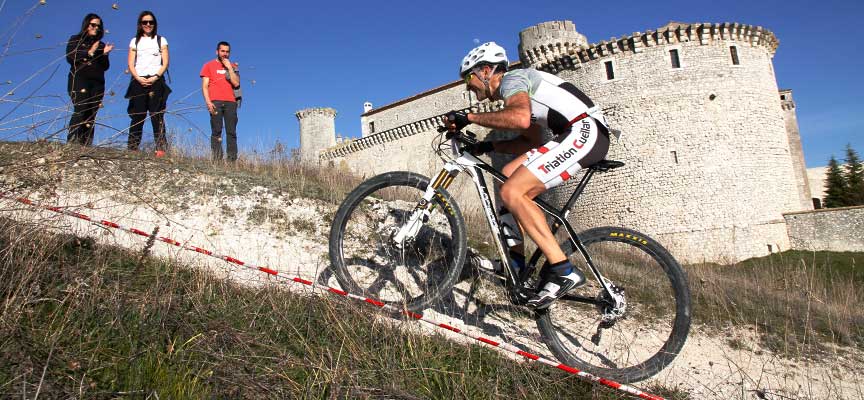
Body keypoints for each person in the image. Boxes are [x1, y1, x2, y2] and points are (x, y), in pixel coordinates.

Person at [445, 42, 610, 309]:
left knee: (514, 191)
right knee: (507, 176)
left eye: (468, 78)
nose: (467, 86)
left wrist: (470, 118)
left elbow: (520, 119)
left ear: (486, 71)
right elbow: (530, 140)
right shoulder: (518, 92)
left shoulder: (512, 80)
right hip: (574, 133)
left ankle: (563, 270)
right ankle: (516, 261)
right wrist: (488, 146)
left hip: (584, 131)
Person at [125, 10, 170, 155]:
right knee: (138, 115)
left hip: (156, 80)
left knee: (157, 115)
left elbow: (165, 62)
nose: (148, 24)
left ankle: (161, 149)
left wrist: (156, 76)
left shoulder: (161, 40)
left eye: (151, 22)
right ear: (140, 24)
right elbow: (131, 63)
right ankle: (132, 148)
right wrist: (138, 78)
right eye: (145, 22)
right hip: (138, 81)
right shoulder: (134, 41)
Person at [65, 13, 113, 146]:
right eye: (93, 25)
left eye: (98, 26)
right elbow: (70, 57)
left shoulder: (101, 44)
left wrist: (105, 54)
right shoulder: (76, 39)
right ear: (86, 25)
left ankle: (86, 144)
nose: (96, 28)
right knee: (81, 108)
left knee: (91, 114)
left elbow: (105, 66)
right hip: (79, 79)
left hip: (98, 83)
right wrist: (89, 52)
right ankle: (72, 141)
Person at [200, 41, 241, 162]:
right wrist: (208, 102)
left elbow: (236, 83)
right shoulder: (208, 65)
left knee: (231, 132)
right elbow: (205, 86)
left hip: (231, 102)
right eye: (222, 51)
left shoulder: (233, 66)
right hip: (215, 101)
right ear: (217, 51)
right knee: (216, 131)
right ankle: (217, 160)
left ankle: (231, 160)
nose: (225, 54)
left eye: (227, 51)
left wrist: (229, 67)